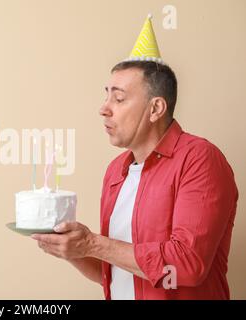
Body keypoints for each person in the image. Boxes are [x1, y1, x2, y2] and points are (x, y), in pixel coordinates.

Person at [31, 15, 238, 300]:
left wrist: (92, 243)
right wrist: (73, 250)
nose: (104, 109)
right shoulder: (116, 171)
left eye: (118, 99)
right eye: (106, 97)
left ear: (156, 109)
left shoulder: (200, 159)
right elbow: (112, 271)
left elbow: (187, 264)